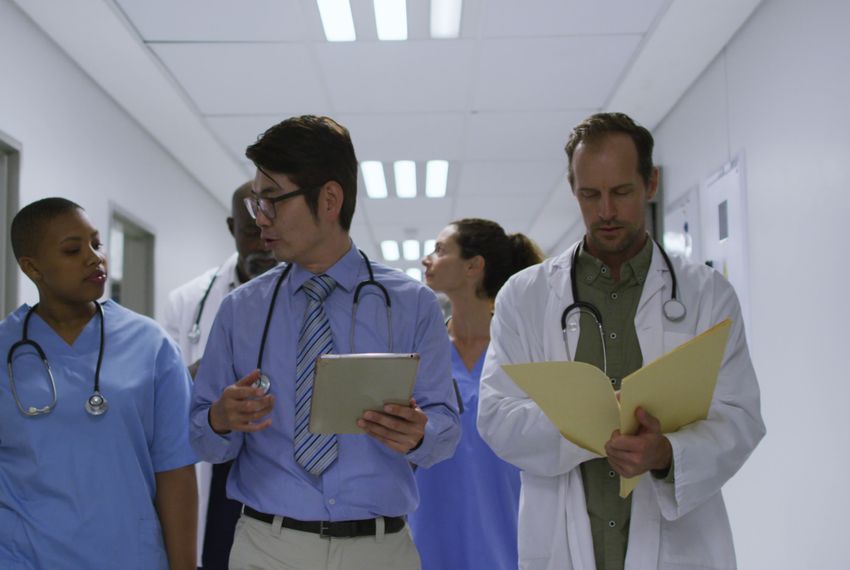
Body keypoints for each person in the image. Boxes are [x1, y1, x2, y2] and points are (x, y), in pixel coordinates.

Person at [477, 113, 765, 570]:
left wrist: (668, 453)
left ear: (649, 183)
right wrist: (589, 428)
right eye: (589, 195)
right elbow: (496, 417)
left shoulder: (707, 294)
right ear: (573, 189)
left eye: (621, 192)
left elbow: (740, 417)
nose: (605, 211)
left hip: (681, 548)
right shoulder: (525, 297)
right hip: (561, 544)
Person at [189, 115, 460, 570]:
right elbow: (203, 441)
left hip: (379, 550)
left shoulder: (413, 306)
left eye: (273, 201)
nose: (261, 221)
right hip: (267, 547)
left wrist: (418, 434)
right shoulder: (241, 310)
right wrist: (219, 419)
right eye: (258, 203)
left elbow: (446, 432)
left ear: (329, 199)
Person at [0, 198, 199, 569]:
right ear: (32, 267)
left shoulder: (153, 346)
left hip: (119, 551)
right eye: (72, 250)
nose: (94, 258)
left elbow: (175, 471)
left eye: (96, 244)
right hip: (5, 553)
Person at [411, 218, 542, 570]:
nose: (428, 259)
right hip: (428, 536)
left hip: (505, 535)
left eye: (440, 250)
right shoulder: (422, 353)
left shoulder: (519, 352)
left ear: (473, 265)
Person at [164, 182, 276, 569]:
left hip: (276, 450)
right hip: (215, 452)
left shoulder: (304, 295)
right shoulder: (189, 300)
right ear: (232, 228)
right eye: (250, 233)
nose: (263, 245)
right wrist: (206, 373)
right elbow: (170, 389)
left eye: (268, 232)